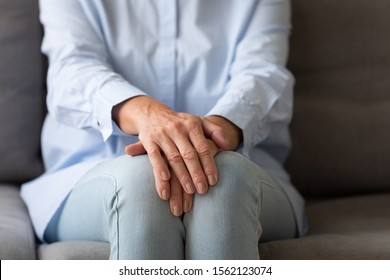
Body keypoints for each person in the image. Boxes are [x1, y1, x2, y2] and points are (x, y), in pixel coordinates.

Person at [21, 0, 306, 260]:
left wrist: (213, 134)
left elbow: (263, 72)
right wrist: (150, 117)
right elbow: (72, 68)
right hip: (89, 169)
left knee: (222, 178)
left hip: (245, 165)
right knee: (146, 181)